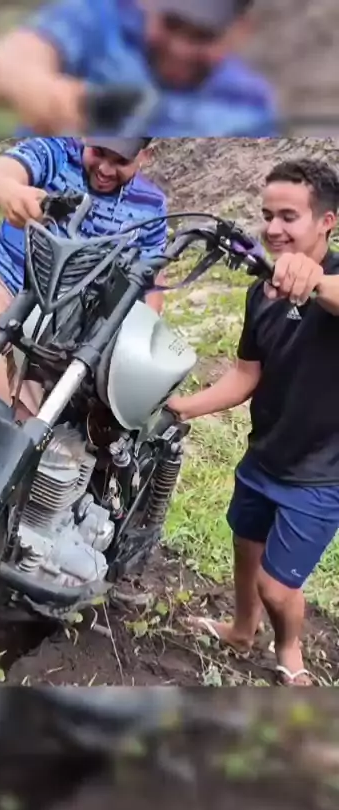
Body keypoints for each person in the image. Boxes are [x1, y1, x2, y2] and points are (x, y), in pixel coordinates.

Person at [168, 159, 339, 686]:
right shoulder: (259, 293)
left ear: (327, 222)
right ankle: (242, 631)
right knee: (246, 546)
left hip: (320, 474)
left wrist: (315, 280)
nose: (273, 229)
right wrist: (180, 407)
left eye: (289, 216)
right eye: (267, 216)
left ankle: (290, 652)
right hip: (264, 455)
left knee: (276, 586)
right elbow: (245, 375)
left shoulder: (330, 282)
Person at [0, 136, 168, 417]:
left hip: (67, 322)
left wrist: (144, 337)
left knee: (38, 410)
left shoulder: (152, 206)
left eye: (121, 161)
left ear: (145, 156)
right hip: (5, 280)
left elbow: (151, 280)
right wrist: (9, 191)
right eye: (98, 152)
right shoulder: (55, 154)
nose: (105, 169)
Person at [0, 0, 277, 137]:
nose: (180, 48)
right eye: (172, 24)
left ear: (240, 31)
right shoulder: (100, 20)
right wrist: (33, 85)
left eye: (203, 36)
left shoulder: (249, 107)